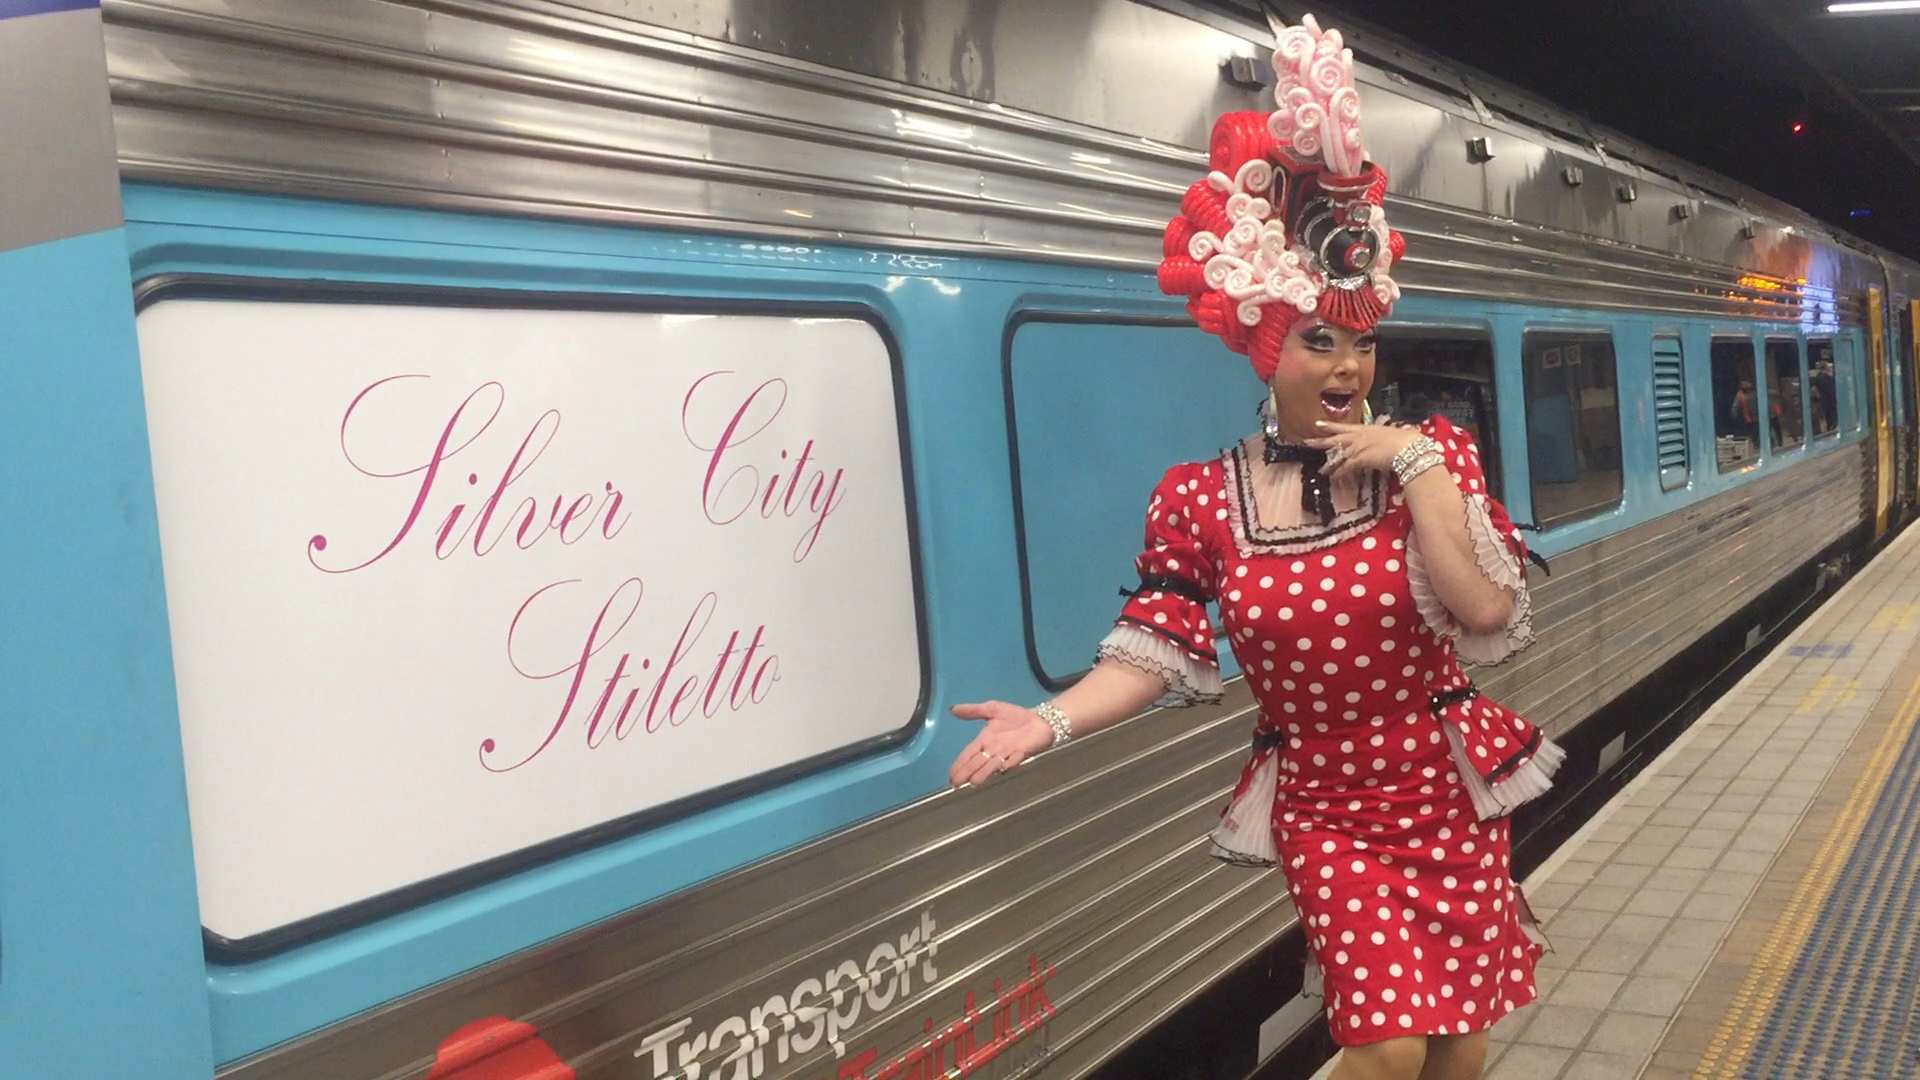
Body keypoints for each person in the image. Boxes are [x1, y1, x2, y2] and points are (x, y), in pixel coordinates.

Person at [946, 17, 1562, 1080]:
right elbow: (1150, 647)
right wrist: (1045, 722)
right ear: (1269, 351)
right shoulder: (1203, 500)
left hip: (1441, 785)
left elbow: (1487, 611)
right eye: (1320, 339)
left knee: (1459, 1055)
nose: (1347, 365)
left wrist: (1416, 468)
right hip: (1325, 806)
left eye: (1360, 340)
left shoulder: (1434, 457)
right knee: (1386, 1049)